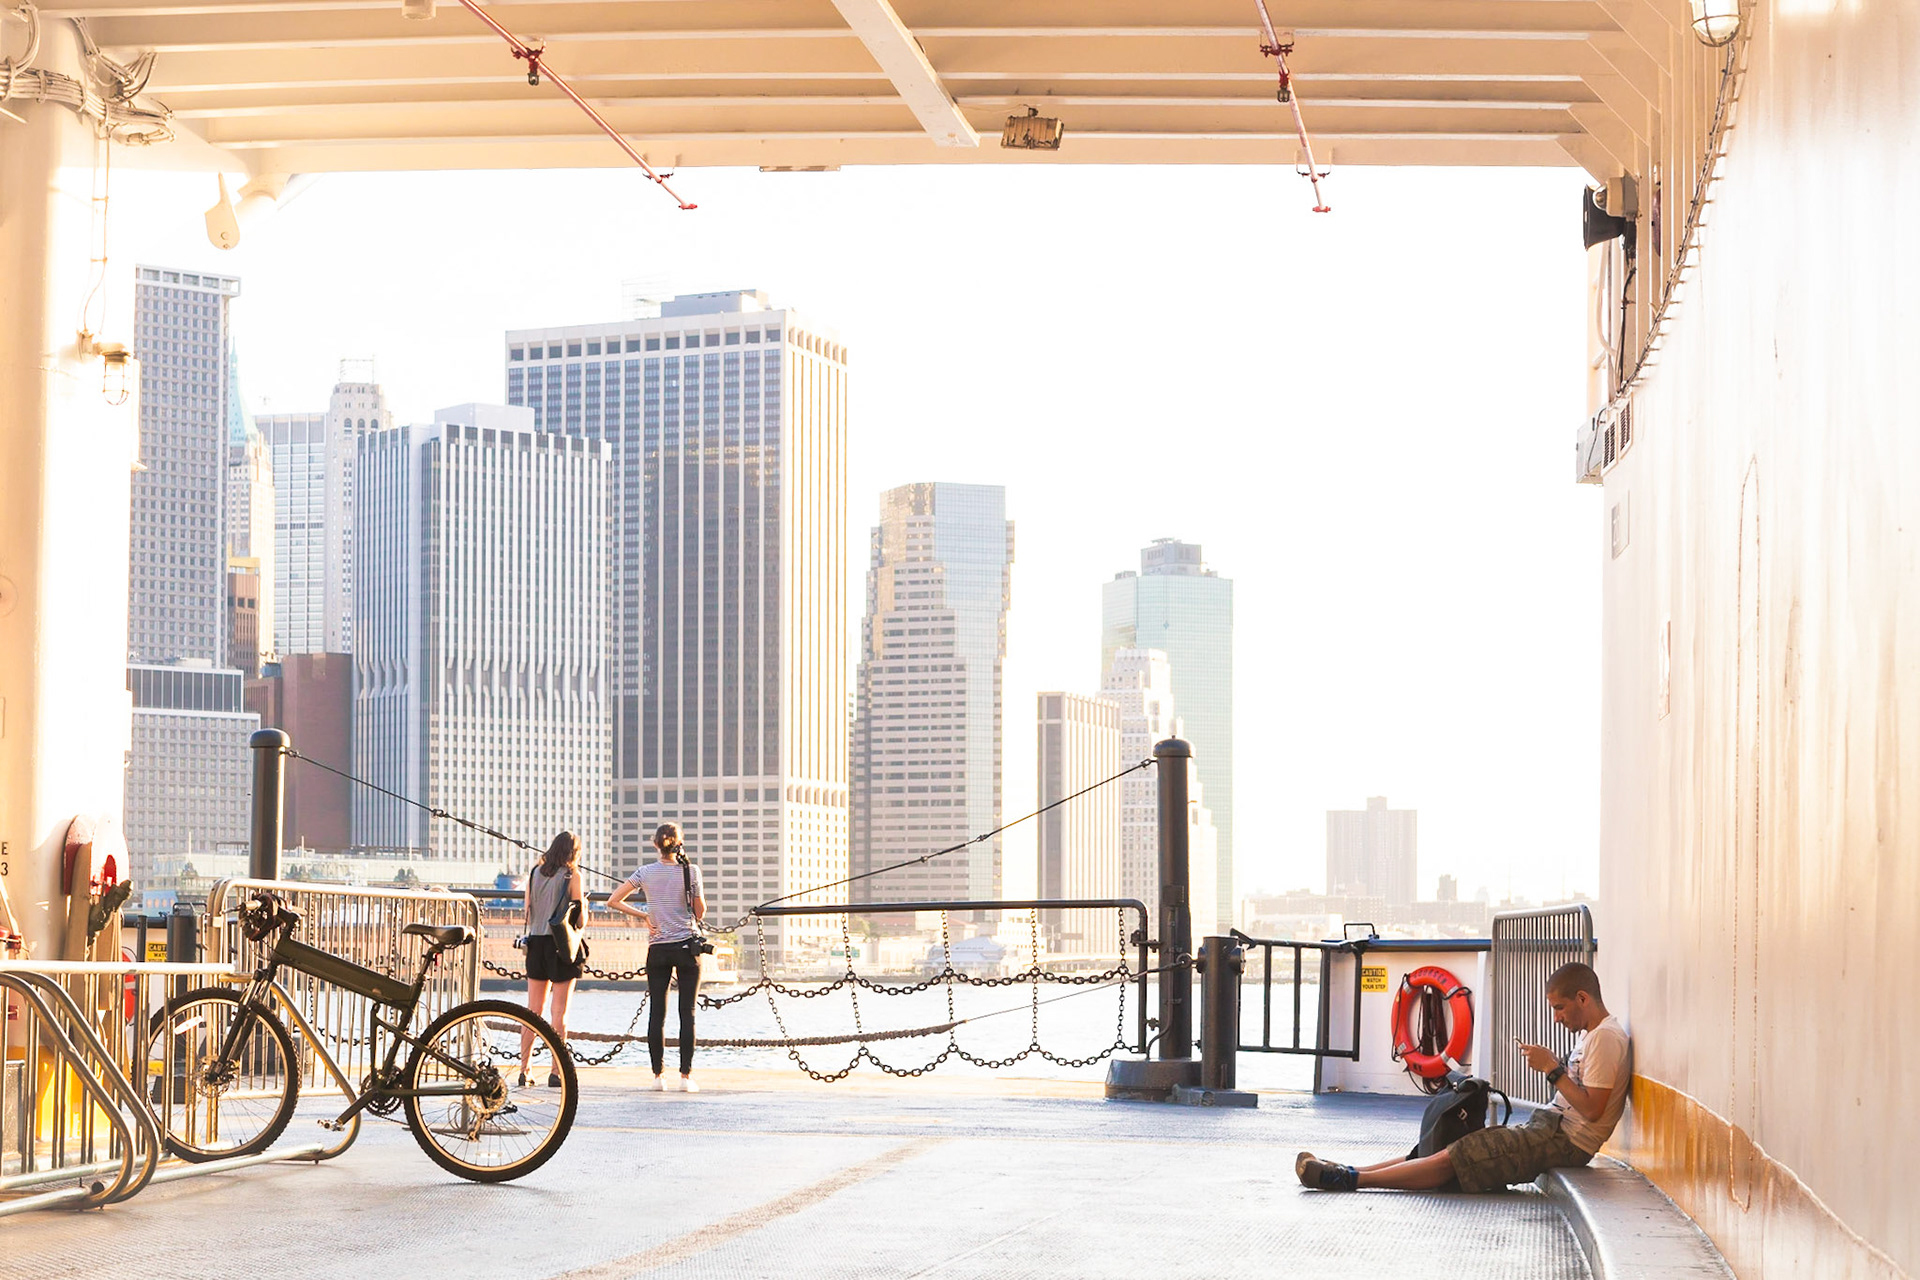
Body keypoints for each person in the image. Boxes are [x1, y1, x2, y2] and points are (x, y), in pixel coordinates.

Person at [1296, 962, 1630, 1192]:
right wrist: (1554, 1065)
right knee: (1448, 1144)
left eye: (1559, 1007)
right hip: (1549, 1128)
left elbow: (1593, 1110)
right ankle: (1353, 1170)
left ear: (1582, 998)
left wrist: (1552, 1069)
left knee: (1461, 1154)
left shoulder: (1605, 1037)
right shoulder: (1591, 1035)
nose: (1556, 1018)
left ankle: (1350, 1181)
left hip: (1566, 1142)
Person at [606, 822, 708, 1092]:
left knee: (657, 1013)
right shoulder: (691, 871)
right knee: (687, 1013)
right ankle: (685, 1078)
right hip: (687, 948)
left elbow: (613, 900)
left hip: (658, 949)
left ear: (655, 844)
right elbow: (700, 913)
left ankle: (658, 1076)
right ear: (680, 844)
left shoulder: (645, 872)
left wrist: (644, 915)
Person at [519, 830, 585, 1087]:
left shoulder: (535, 873)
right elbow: (579, 920)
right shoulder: (573, 875)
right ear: (574, 853)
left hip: (536, 944)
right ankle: (557, 1072)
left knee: (532, 1011)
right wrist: (585, 907)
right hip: (561, 948)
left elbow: (527, 911)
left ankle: (524, 1069)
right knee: (559, 1014)